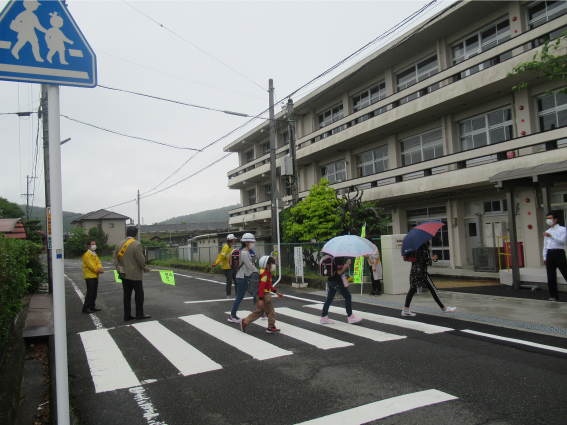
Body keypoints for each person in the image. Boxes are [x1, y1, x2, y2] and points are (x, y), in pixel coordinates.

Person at [402, 242, 456, 316]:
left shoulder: (415, 246)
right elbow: (422, 260)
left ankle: (406, 309)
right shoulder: (422, 247)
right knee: (433, 289)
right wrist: (431, 258)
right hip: (421, 272)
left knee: (412, 289)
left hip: (414, 271)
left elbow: (417, 259)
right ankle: (444, 308)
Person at [113, 226, 151, 321]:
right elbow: (140, 260)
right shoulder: (136, 244)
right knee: (139, 294)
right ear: (136, 234)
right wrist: (145, 268)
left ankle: (127, 315)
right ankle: (139, 314)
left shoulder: (120, 244)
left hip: (123, 274)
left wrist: (119, 268)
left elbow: (115, 258)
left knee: (126, 295)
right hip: (135, 274)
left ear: (127, 233)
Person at [241, 256, 284, 334]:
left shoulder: (265, 273)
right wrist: (261, 299)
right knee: (271, 312)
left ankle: (245, 321)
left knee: (259, 312)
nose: (273, 266)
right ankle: (271, 327)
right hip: (264, 296)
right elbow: (261, 287)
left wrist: (277, 293)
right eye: (272, 264)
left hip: (262, 295)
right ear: (267, 266)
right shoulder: (265, 275)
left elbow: (269, 286)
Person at [320, 257, 362, 324]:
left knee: (329, 299)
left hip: (331, 281)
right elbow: (339, 272)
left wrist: (345, 266)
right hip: (337, 282)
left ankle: (324, 317)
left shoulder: (333, 258)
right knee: (348, 297)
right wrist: (346, 265)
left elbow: (337, 269)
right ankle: (350, 317)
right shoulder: (338, 259)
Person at [228, 233, 258, 323]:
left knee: (251, 293)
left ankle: (261, 312)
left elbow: (249, 264)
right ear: (246, 243)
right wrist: (259, 271)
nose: (253, 243)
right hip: (242, 277)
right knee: (240, 297)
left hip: (244, 276)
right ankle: (232, 316)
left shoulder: (245, 252)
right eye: (251, 242)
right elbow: (249, 265)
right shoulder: (245, 253)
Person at [543, 211, 567, 301]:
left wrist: (551, 236)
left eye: (550, 218)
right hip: (550, 253)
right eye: (547, 218)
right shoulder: (547, 231)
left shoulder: (562, 229)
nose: (548, 220)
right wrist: (544, 257)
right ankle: (553, 295)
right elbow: (545, 245)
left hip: (559, 252)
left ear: (555, 219)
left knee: (565, 272)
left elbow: (563, 241)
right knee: (551, 275)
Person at [212, 234, 237, 298]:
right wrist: (216, 263)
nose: (234, 241)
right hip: (227, 268)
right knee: (229, 281)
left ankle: (237, 294)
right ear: (232, 240)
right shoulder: (226, 247)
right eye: (234, 240)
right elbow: (221, 255)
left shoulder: (230, 248)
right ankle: (228, 295)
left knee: (236, 280)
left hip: (232, 267)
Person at [82, 239, 103, 314]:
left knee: (94, 292)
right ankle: (86, 307)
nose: (94, 246)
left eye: (95, 244)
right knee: (90, 292)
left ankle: (92, 306)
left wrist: (100, 268)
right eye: (92, 244)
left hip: (95, 275)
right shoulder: (87, 255)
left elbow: (98, 263)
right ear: (88, 246)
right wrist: (98, 270)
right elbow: (91, 265)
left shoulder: (95, 254)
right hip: (89, 276)